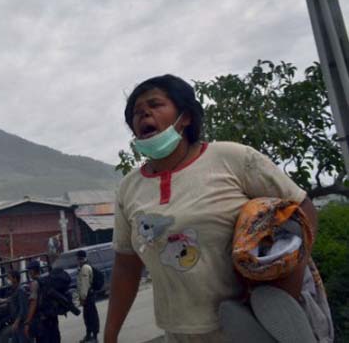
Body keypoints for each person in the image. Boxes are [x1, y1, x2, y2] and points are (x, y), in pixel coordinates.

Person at [104, 74, 318, 343]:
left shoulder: (232, 158)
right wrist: (110, 334)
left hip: (249, 326)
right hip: (178, 332)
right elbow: (126, 265)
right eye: (135, 112)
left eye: (155, 104)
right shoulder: (128, 188)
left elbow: (301, 211)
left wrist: (282, 296)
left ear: (186, 117)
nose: (143, 113)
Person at [24, 260, 61, 343]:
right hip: (52, 315)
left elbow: (33, 303)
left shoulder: (34, 284)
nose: (29, 273)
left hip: (43, 319)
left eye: (29, 271)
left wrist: (28, 322)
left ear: (33, 271)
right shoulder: (47, 279)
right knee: (54, 338)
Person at [76, 250, 99, 343]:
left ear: (80, 258)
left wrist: (83, 298)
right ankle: (89, 335)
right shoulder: (83, 267)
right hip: (88, 297)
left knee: (91, 316)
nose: (77, 261)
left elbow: (85, 285)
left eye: (77, 258)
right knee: (87, 316)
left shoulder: (85, 268)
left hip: (88, 297)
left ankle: (94, 336)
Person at [5, 269, 29, 343]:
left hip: (20, 324)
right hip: (16, 323)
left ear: (15, 279)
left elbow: (23, 309)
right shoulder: (14, 290)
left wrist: (16, 322)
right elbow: (12, 299)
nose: (8, 280)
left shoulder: (21, 291)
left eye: (9, 278)